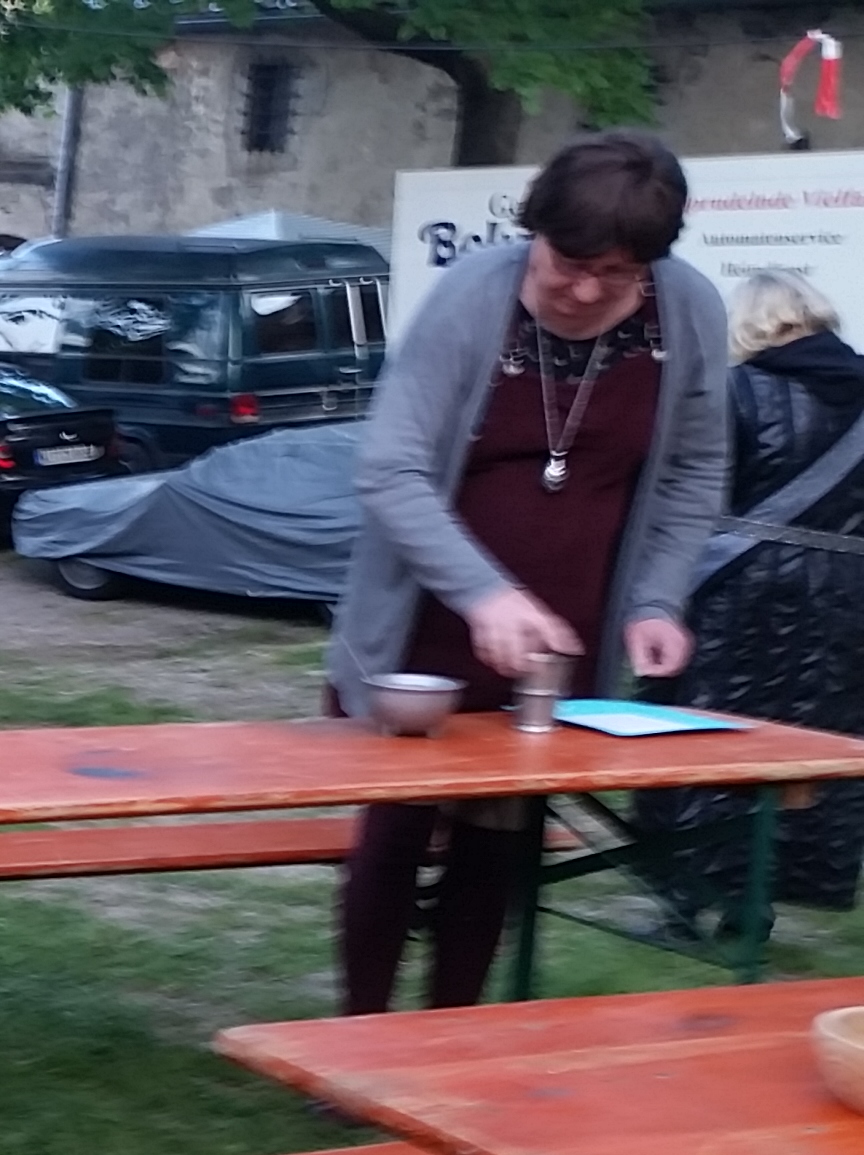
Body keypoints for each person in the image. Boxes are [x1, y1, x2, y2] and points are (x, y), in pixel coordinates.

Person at [326, 131, 730, 1015]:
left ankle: (454, 1040)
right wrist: (483, 595)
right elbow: (389, 470)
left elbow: (696, 471)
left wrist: (656, 599)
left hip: (564, 633)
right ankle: (359, 1042)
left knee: (499, 845)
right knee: (395, 837)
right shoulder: (472, 299)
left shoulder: (687, 311)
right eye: (569, 265)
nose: (585, 291)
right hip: (424, 627)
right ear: (535, 231)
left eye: (617, 275)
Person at [639, 269, 864, 919]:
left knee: (712, 733)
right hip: (846, 593)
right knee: (815, 743)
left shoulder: (735, 391)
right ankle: (770, 895)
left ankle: (697, 899)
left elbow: (691, 496)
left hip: (741, 591)